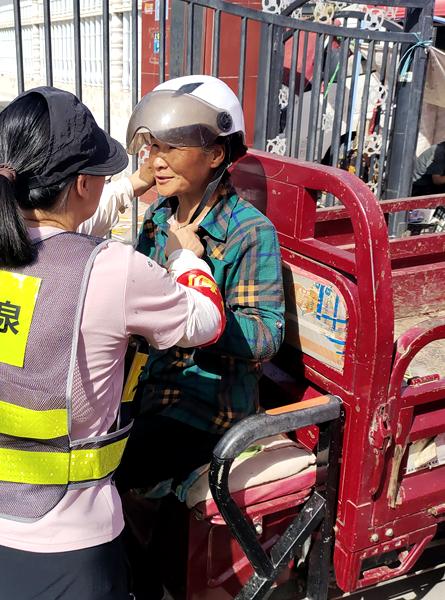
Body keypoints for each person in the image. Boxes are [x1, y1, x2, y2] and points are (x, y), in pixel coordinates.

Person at [0, 86, 228, 600]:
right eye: (102, 175)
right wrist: (186, 258)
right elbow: (206, 321)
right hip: (56, 551)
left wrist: (130, 186)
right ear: (84, 183)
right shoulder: (109, 270)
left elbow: (63, 231)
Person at [115, 75, 286, 598]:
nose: (156, 159)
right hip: (150, 389)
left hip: (206, 409)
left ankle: (145, 591)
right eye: (152, 146)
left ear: (215, 154)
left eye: (171, 147)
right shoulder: (158, 217)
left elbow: (265, 335)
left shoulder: (249, 232)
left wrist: (196, 290)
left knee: (99, 474)